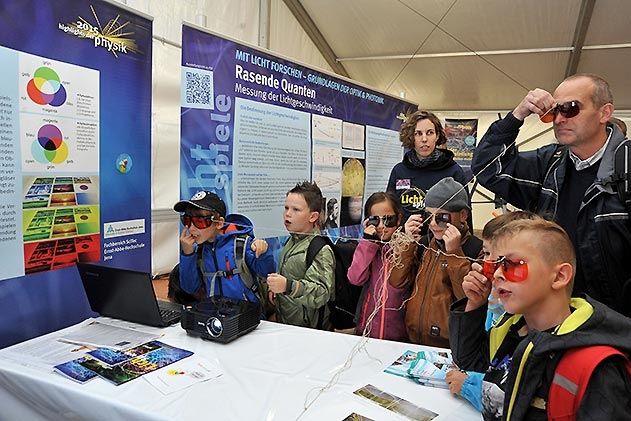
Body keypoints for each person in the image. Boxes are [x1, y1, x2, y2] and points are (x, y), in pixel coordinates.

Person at [471, 73, 631, 316]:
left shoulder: (627, 166)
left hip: (616, 326)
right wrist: (518, 114)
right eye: (555, 110)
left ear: (604, 113)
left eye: (571, 108)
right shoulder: (549, 163)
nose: (559, 118)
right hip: (554, 320)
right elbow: (487, 167)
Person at [449, 218, 631, 421]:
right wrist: (474, 304)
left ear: (559, 276)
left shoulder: (597, 367)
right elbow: (471, 361)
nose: (498, 274)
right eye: (495, 265)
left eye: (512, 264)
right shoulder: (512, 330)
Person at [444, 211, 542, 412]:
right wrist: (474, 305)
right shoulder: (507, 317)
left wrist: (472, 386)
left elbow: (523, 399)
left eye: (508, 262)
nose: (493, 270)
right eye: (486, 254)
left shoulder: (543, 326)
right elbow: (473, 360)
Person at [389, 177, 482, 347]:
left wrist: (454, 254)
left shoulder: (475, 249)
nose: (432, 224)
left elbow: (468, 298)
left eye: (442, 217)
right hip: (414, 339)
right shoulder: (425, 245)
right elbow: (397, 282)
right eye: (428, 216)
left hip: (451, 344)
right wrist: (407, 244)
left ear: (462, 215)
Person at [174, 191, 275, 303]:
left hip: (246, 313)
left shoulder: (241, 245)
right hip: (217, 313)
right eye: (187, 220)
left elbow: (267, 272)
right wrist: (188, 254)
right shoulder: (200, 251)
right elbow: (190, 287)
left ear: (219, 223)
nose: (191, 228)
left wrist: (263, 253)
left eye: (200, 221)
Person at [267, 181, 335, 329]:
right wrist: (277, 290)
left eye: (296, 209)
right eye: (286, 208)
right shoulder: (291, 240)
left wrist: (288, 286)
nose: (288, 214)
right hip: (288, 324)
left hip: (307, 330)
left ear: (313, 216)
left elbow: (321, 293)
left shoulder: (320, 249)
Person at [347, 192, 408, 341]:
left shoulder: (407, 248)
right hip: (368, 331)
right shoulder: (368, 247)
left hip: (400, 334)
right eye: (375, 220)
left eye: (388, 220)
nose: (381, 226)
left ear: (398, 219)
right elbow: (355, 278)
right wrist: (368, 243)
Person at [387, 110, 468, 222]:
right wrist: (403, 232)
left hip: (443, 238)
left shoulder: (453, 172)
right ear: (411, 137)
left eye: (429, 133)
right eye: (418, 133)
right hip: (405, 237)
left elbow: (465, 217)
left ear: (437, 135)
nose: (424, 139)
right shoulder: (399, 171)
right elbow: (390, 212)